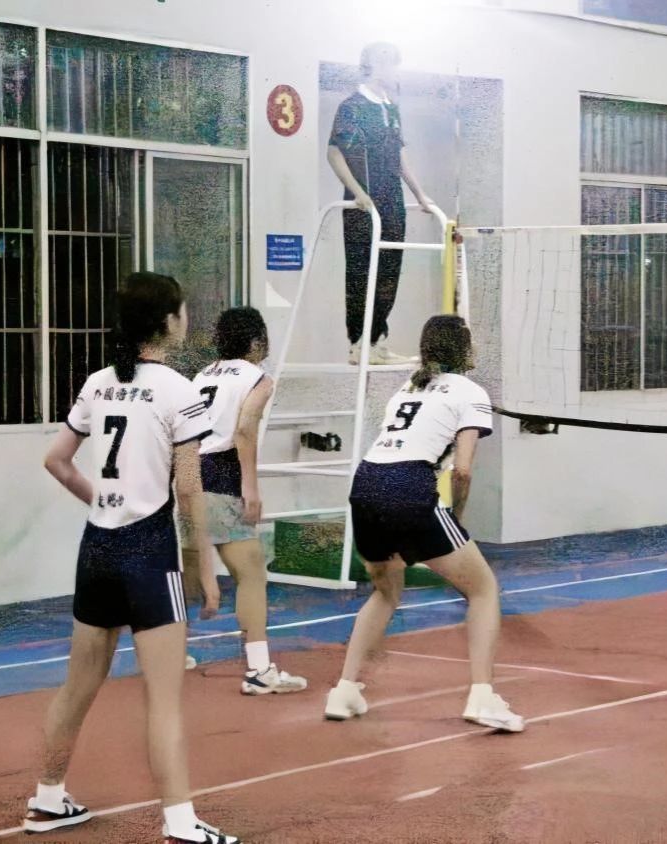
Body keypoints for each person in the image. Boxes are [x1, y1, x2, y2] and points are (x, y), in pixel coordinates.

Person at [26, 272, 240, 844]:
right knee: (164, 700)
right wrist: (206, 569)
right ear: (169, 321)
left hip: (97, 546)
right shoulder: (178, 390)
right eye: (183, 310)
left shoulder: (98, 384)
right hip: (148, 550)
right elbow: (189, 488)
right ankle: (181, 822)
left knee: (77, 687)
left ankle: (47, 796)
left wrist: (103, 500)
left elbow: (56, 461)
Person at [322, 314, 524, 732]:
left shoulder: (409, 386)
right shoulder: (471, 391)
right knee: (483, 589)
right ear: (464, 349)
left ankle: (344, 689)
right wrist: (456, 517)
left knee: (385, 591)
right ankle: (482, 696)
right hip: (409, 486)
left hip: (366, 484)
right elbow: (462, 471)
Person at [180, 307, 307, 695]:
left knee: (189, 571)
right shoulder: (258, 378)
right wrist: (251, 486)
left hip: (186, 474)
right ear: (256, 342)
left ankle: (171, 650)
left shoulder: (202, 374)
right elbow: (245, 431)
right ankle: (259, 669)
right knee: (251, 573)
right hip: (221, 474)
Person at [328, 41, 435, 366]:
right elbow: (334, 153)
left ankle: (376, 341)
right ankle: (358, 343)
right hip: (364, 204)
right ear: (376, 66)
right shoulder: (352, 106)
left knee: (389, 271)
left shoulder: (391, 109)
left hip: (392, 201)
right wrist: (357, 192)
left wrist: (420, 194)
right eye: (393, 65)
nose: (397, 72)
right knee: (362, 272)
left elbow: (400, 157)